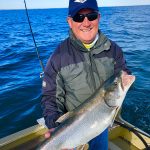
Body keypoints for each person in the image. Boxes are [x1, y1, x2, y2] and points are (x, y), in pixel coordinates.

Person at [41, 0, 131, 149]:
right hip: (70, 129)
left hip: (101, 123)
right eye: (79, 17)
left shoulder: (114, 50)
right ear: (70, 22)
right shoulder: (58, 57)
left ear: (99, 17)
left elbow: (122, 74)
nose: (86, 22)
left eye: (91, 15)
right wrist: (54, 125)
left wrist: (125, 77)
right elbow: (50, 96)